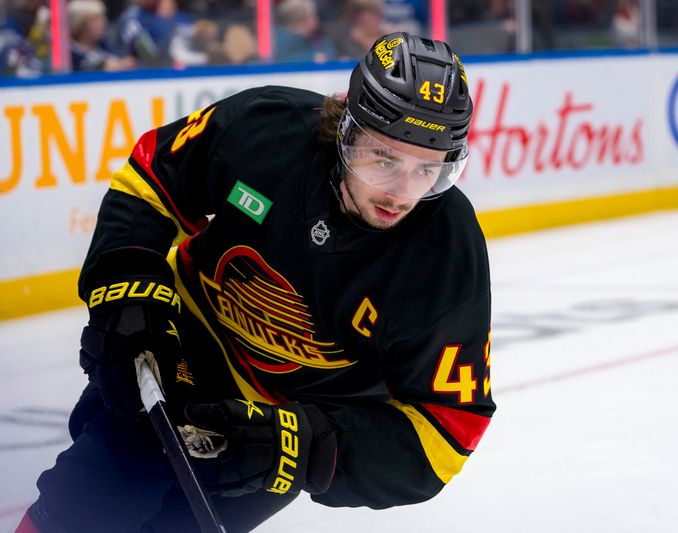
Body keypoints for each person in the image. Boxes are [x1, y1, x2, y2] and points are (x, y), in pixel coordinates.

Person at [17, 32, 494, 532]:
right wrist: (130, 297)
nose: (402, 193)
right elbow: (151, 178)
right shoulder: (267, 126)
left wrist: (305, 446)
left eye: (429, 171)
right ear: (346, 130)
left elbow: (445, 432)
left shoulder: (446, 256)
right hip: (179, 344)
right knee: (81, 505)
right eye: (385, 160)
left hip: (275, 424)